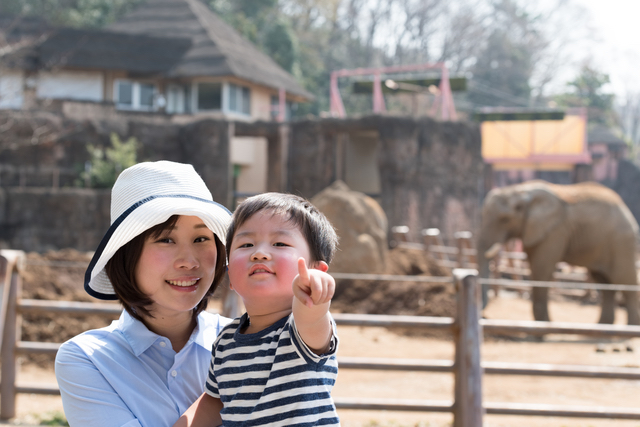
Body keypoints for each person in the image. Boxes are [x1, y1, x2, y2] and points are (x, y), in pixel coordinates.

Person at [55, 160, 233, 427]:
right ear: (126, 254)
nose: (189, 261)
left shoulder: (250, 342)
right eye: (166, 239)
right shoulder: (87, 358)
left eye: (201, 239)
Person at [175, 192, 340, 427]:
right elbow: (213, 403)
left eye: (280, 243)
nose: (259, 253)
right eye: (246, 244)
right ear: (230, 275)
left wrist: (314, 293)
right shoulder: (225, 341)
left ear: (317, 269)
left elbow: (312, 317)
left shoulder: (300, 332)